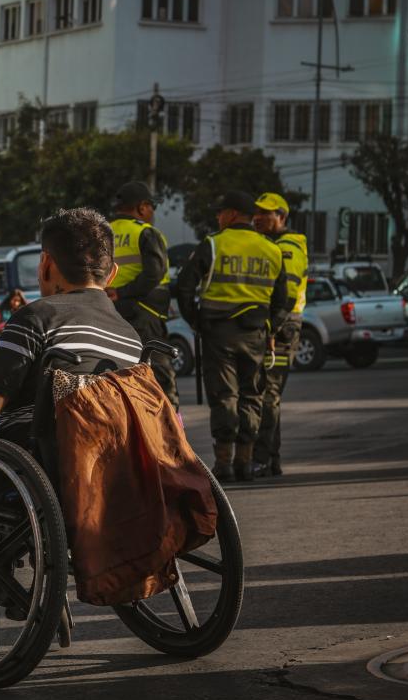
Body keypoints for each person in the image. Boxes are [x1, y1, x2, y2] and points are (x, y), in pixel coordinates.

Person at [0, 209, 144, 444]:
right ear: (113, 274)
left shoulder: (35, 318)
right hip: (112, 465)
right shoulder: (132, 339)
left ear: (45, 263)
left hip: (36, 465)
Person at [176, 190, 287, 484]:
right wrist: (270, 328)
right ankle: (245, 462)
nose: (218, 217)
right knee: (252, 395)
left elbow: (185, 286)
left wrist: (195, 321)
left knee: (225, 396)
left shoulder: (213, 244)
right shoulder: (272, 250)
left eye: (221, 212)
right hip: (255, 334)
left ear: (234, 214)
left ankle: (223, 463)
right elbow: (283, 301)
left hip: (218, 333)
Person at [107, 181, 178, 408]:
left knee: (119, 376)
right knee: (160, 378)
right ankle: (170, 432)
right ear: (142, 207)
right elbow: (154, 274)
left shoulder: (100, 234)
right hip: (145, 315)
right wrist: (123, 292)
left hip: (109, 315)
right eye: (151, 207)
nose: (152, 213)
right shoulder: (146, 232)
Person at [253, 192, 308, 478]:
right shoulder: (268, 245)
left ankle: (262, 458)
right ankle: (270, 459)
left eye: (267, 213)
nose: (259, 217)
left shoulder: (289, 247)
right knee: (266, 393)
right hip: (274, 325)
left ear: (282, 217)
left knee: (269, 394)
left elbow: (286, 295)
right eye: (257, 212)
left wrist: (272, 328)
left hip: (284, 327)